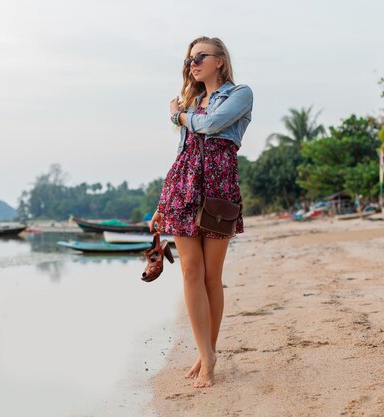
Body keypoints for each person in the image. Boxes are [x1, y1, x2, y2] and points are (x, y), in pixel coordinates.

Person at [150, 36, 253, 388]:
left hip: (219, 188)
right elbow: (182, 156)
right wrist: (162, 204)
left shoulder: (239, 95)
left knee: (212, 276)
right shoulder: (190, 102)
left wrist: (179, 115)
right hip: (183, 186)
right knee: (191, 271)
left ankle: (207, 351)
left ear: (220, 60)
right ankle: (206, 354)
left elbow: (211, 125)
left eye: (200, 57)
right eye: (189, 59)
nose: (193, 64)